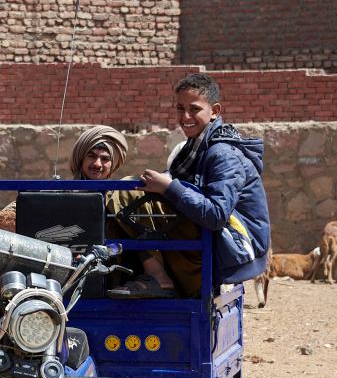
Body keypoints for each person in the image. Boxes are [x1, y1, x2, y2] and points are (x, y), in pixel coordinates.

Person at [110, 73, 271, 298]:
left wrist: (169, 188)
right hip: (217, 239)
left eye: (194, 109)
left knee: (124, 195)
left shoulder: (222, 154)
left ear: (215, 111)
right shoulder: (194, 149)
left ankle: (159, 277)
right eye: (180, 108)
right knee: (125, 194)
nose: (185, 116)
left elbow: (216, 214)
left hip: (235, 249)